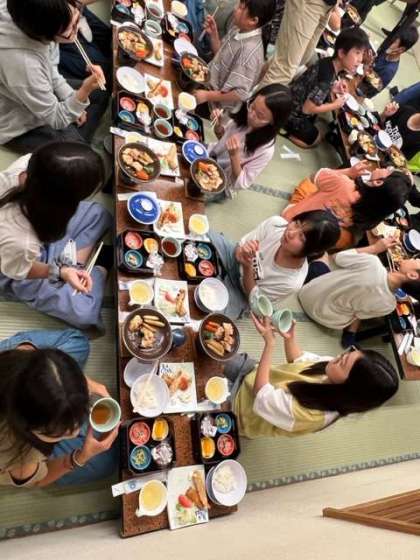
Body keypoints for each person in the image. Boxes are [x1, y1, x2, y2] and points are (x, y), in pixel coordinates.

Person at [224, 315, 399, 438]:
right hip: (253, 373)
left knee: (208, 387)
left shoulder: (313, 415)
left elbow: (262, 393)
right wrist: (290, 339)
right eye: (346, 354)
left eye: (343, 362)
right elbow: (299, 360)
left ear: (349, 389)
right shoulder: (333, 367)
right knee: (215, 350)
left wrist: (269, 344)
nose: (338, 357)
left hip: (242, 410)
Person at [0, 142, 112, 330]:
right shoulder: (20, 239)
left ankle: (73, 265)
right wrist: (61, 272)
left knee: (98, 214)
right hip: (13, 266)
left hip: (35, 230)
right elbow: (20, 270)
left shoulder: (30, 165)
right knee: (84, 313)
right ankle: (92, 268)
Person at [0, 329, 119, 487]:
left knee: (79, 341)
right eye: (61, 432)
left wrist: (73, 383)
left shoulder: (23, 355)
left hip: (13, 363)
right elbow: (40, 480)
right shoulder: (17, 458)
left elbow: (40, 362)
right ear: (27, 427)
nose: (75, 432)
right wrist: (80, 457)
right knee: (107, 463)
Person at [0, 0, 108, 153]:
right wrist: (83, 92)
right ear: (43, 33)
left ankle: (75, 137)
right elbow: (57, 118)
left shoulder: (41, 19)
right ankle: (76, 142)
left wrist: (71, 97)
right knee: (80, 155)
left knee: (100, 95)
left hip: (37, 91)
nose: (76, 30)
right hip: (17, 122)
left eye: (77, 18)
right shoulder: (25, 64)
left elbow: (50, 67)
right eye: (69, 31)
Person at [209, 211, 340, 319]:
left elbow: (255, 301)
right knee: (201, 234)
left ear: (313, 251)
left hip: (241, 293)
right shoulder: (275, 225)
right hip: (232, 258)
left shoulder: (291, 282)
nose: (291, 233)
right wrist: (240, 252)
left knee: (210, 313)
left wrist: (247, 267)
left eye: (302, 237)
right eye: (297, 223)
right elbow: (240, 247)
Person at [299, 238, 420, 347]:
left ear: (412, 275)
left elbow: (337, 257)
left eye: (418, 261)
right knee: (356, 308)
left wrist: (375, 248)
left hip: (307, 297)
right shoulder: (389, 306)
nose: (415, 259)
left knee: (324, 256)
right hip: (328, 321)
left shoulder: (373, 263)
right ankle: (350, 333)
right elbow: (358, 315)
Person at [282, 164, 413, 249]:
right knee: (349, 239)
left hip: (289, 223)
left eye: (388, 171)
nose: (385, 168)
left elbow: (314, 176)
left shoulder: (344, 185)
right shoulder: (371, 216)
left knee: (308, 185)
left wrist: (348, 172)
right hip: (310, 246)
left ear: (378, 182)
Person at [284, 27, 370, 148]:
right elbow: (307, 109)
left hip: (291, 96)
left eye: (362, 53)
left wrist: (332, 88)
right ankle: (283, 131)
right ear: (341, 53)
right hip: (292, 114)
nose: (360, 59)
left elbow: (314, 85)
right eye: (357, 53)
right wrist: (335, 105)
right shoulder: (326, 79)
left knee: (318, 121)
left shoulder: (328, 62)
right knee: (315, 141)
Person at [207, 84, 292, 198]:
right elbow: (222, 139)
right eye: (252, 106)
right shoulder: (244, 116)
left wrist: (234, 156)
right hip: (211, 156)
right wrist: (218, 125)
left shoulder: (266, 150)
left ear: (273, 122)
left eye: (260, 115)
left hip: (222, 182)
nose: (251, 115)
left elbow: (242, 183)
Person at [193, 0, 275, 116]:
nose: (235, 8)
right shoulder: (239, 28)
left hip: (213, 106)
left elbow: (239, 93)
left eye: (241, 7)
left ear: (253, 20)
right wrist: (213, 34)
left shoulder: (249, 52)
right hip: (206, 82)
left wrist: (207, 96)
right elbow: (221, 55)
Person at [258, 0, 337, 88]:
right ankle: (254, 94)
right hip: (312, 3)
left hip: (328, 6)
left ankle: (249, 83)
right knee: (285, 70)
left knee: (299, 59)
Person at [59, 1, 112, 86]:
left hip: (76, 13)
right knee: (103, 70)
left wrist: (77, 14)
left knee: (108, 37)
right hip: (63, 32)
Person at [372, 25, 419, 90]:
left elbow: (373, 89)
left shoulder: (388, 70)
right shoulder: (387, 50)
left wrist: (367, 66)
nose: (389, 41)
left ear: (401, 49)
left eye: (394, 41)